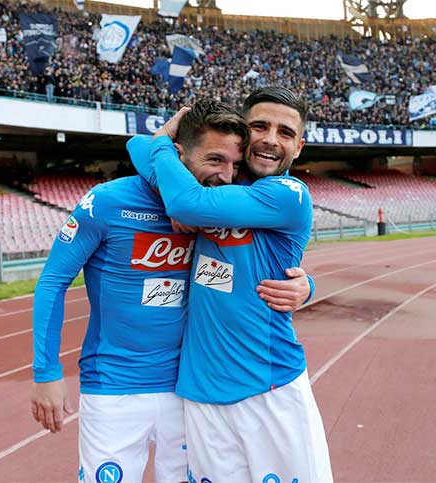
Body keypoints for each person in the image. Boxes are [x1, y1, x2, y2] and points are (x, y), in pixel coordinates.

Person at [31, 100, 315, 483]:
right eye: (215, 160)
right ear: (178, 154)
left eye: (234, 164)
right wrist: (46, 372)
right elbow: (53, 281)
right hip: (114, 385)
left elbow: (262, 256)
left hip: (185, 390)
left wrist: (306, 285)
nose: (226, 175)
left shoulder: (221, 204)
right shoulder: (109, 201)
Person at [126, 87, 333, 483]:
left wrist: (177, 188)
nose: (271, 139)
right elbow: (137, 146)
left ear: (299, 147)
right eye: (260, 126)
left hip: (269, 386)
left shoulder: (288, 195)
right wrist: (171, 169)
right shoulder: (217, 184)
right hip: (202, 391)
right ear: (242, 131)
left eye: (285, 133)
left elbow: (185, 202)